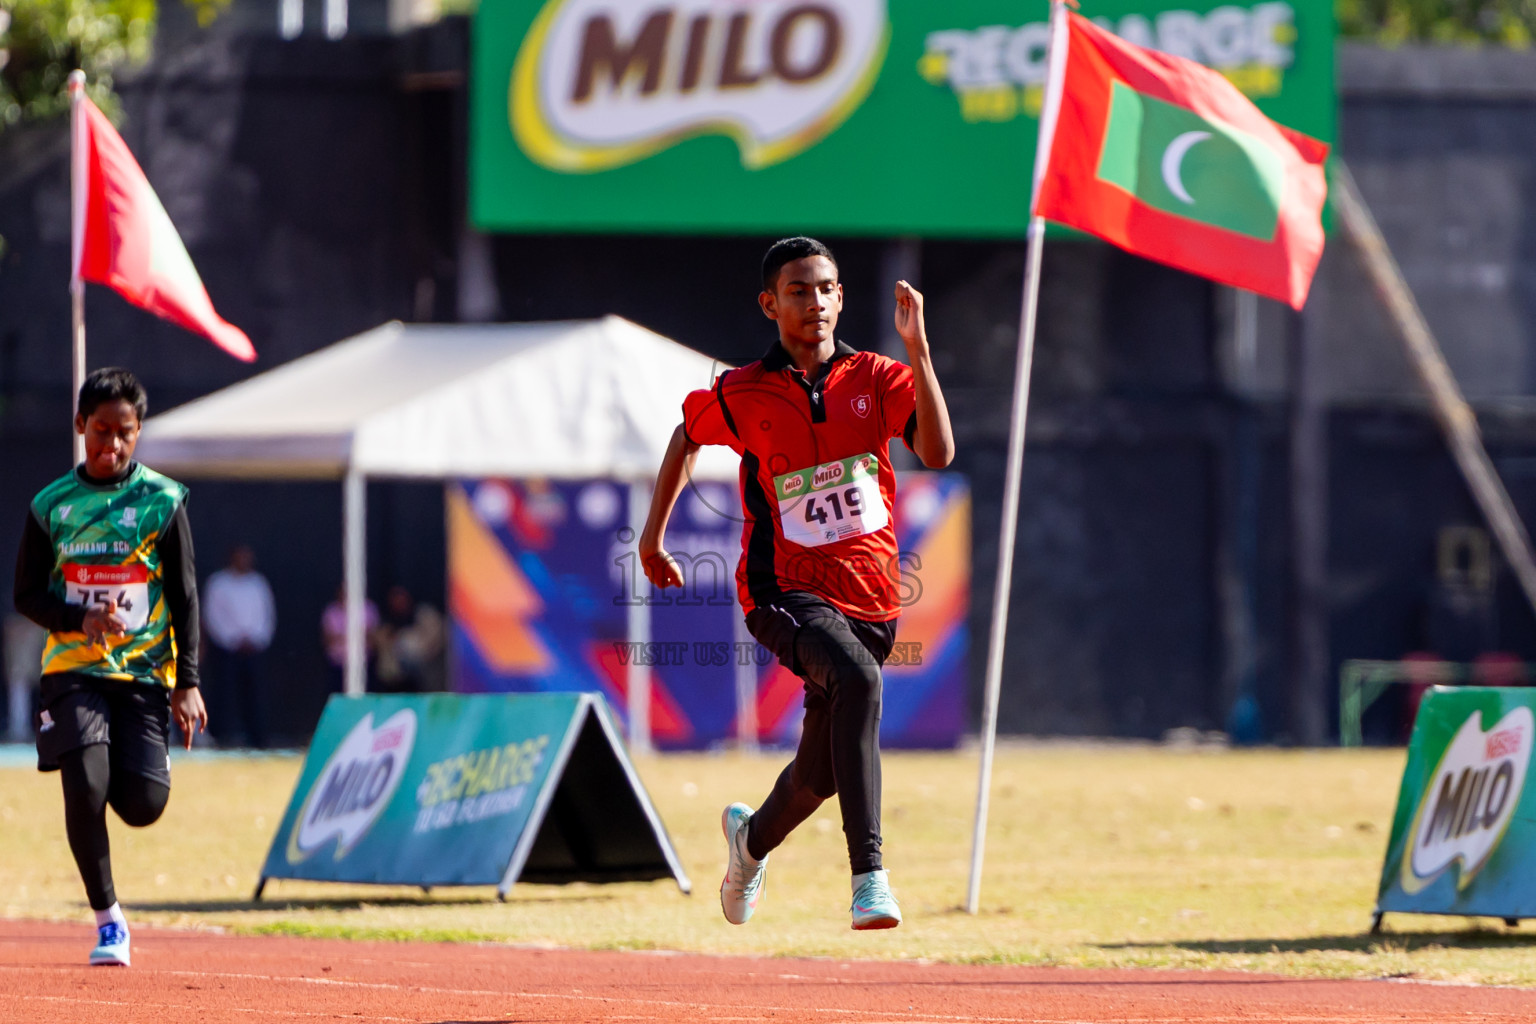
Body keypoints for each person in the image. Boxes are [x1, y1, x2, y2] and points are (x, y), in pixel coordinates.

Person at [639, 237, 955, 931]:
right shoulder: (742, 391)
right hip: (781, 590)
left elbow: (936, 452)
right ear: (769, 304)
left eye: (826, 288)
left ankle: (749, 844)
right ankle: (870, 878)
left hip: (873, 598)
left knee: (820, 775)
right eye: (798, 291)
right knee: (860, 682)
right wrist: (652, 536)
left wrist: (920, 351)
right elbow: (686, 436)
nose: (815, 302)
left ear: (842, 297)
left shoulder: (878, 377)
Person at [12, 367, 207, 967]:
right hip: (73, 668)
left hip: (143, 673)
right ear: (80, 425)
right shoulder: (51, 505)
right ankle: (109, 922)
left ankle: (128, 764)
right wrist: (80, 617)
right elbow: (26, 595)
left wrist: (188, 682)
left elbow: (185, 595)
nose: (111, 445)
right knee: (85, 783)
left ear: (138, 431)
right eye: (101, 431)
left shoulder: (162, 501)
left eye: (124, 433)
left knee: (143, 804)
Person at [201, 544, 275, 747]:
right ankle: (219, 736)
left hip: (254, 648)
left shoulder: (258, 583)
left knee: (254, 694)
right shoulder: (218, 583)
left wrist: (256, 638)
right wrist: (232, 639)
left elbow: (267, 614)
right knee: (223, 693)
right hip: (226, 649)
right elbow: (213, 615)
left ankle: (257, 738)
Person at [375, 585, 446, 692]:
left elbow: (433, 641)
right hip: (395, 674)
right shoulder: (389, 623)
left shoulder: (423, 615)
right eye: (395, 598)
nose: (398, 601)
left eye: (401, 597)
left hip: (423, 669)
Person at [321, 585, 378, 693]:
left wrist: (344, 636)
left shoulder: (367, 608)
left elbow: (373, 636)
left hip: (364, 664)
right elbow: (327, 639)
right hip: (338, 665)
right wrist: (354, 635)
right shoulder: (331, 611)